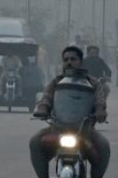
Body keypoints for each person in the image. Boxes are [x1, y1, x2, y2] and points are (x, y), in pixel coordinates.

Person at [29, 46, 111, 178]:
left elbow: (99, 100)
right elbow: (47, 97)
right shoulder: (56, 82)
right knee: (34, 142)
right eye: (66, 59)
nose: (69, 62)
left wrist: (100, 111)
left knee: (103, 146)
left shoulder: (93, 83)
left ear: (81, 62)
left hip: (85, 131)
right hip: (57, 129)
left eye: (73, 59)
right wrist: (42, 109)